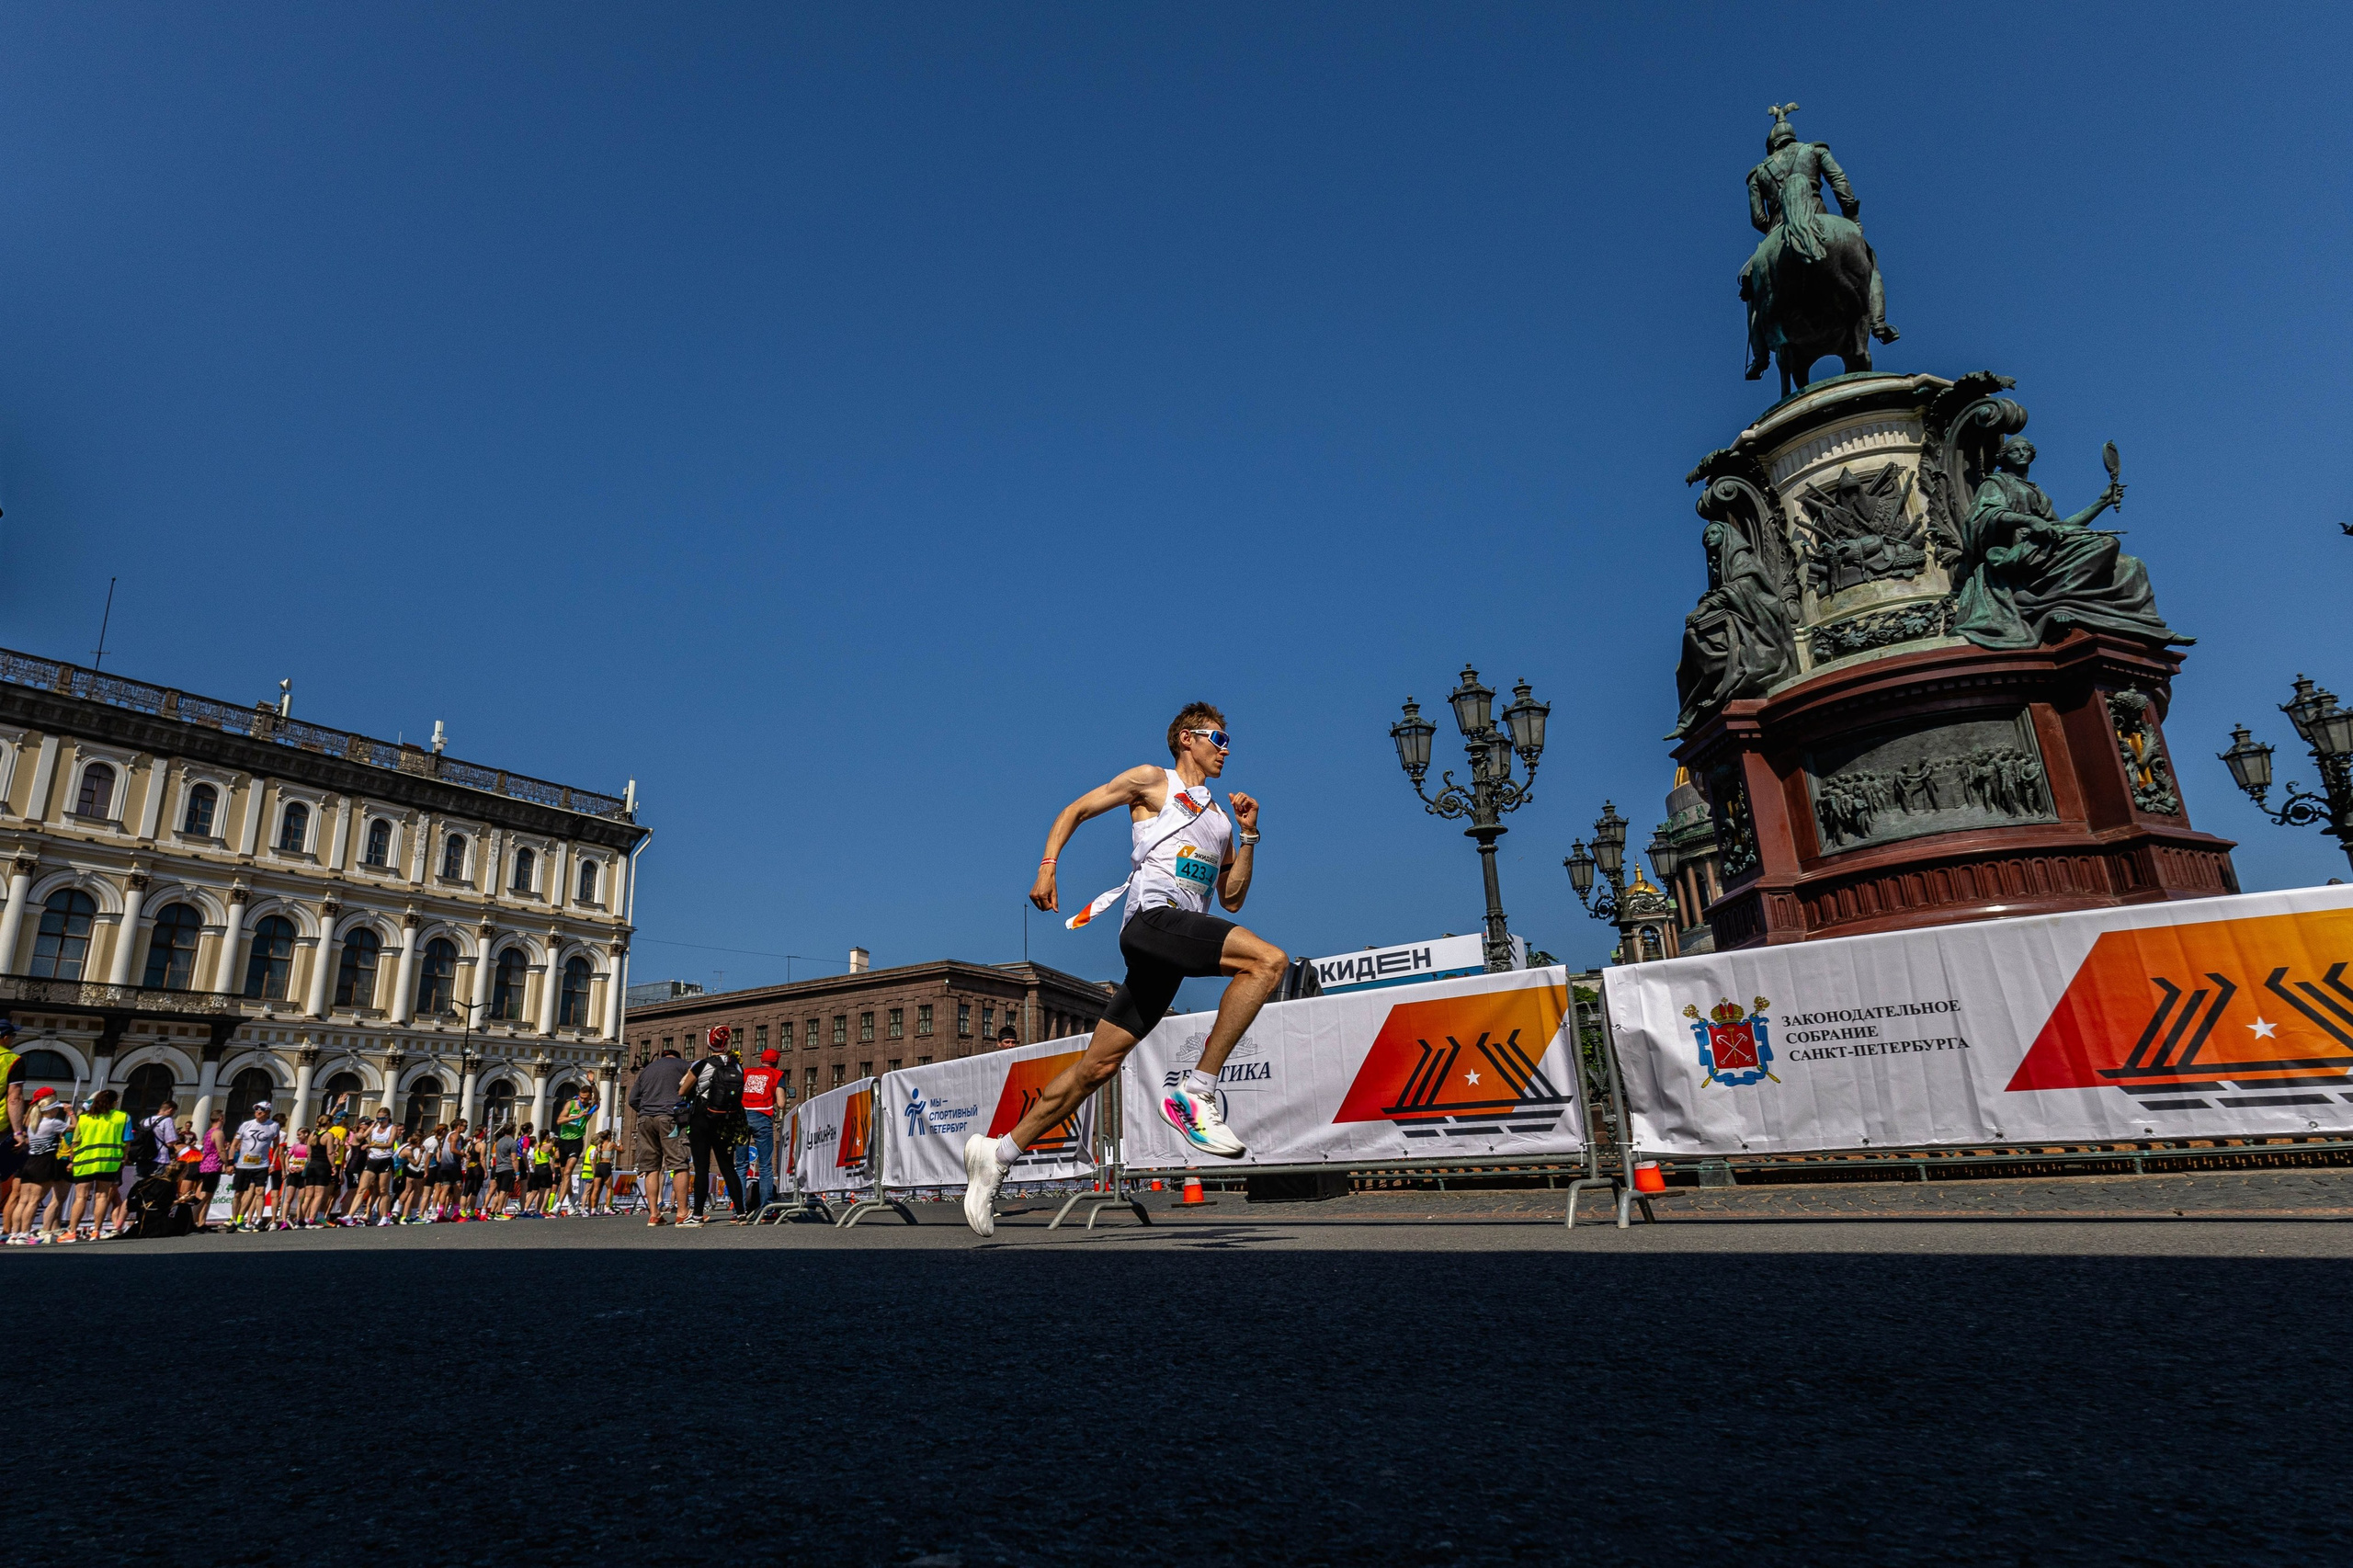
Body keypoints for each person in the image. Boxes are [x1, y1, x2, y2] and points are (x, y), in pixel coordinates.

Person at [962, 704, 1282, 1236]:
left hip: (1171, 948)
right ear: (1187, 738)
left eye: (1229, 742)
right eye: (1219, 738)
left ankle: (996, 1155)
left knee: (1097, 1066)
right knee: (1268, 961)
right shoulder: (1153, 781)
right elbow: (1076, 810)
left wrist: (1248, 838)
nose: (1227, 750)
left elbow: (1231, 898)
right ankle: (1198, 1091)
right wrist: (1048, 868)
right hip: (1152, 922)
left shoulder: (1221, 821)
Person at [681, 1027, 746, 1227]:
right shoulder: (736, 1066)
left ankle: (697, 1215)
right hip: (726, 1119)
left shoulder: (702, 1064)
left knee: (702, 1167)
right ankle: (741, 1213)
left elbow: (682, 1090)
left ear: (709, 1044)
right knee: (728, 1166)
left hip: (702, 1118)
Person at [627, 1044, 695, 1228]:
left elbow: (632, 1099)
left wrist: (646, 1109)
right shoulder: (684, 1066)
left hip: (645, 1120)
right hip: (670, 1117)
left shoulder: (647, 1070)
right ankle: (682, 1213)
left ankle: (654, 1214)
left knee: (651, 1167)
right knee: (679, 1163)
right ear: (677, 1057)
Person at [63, 1089, 131, 1241]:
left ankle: (72, 1232)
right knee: (102, 1196)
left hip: (84, 1162)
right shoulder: (123, 1117)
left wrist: (72, 1160)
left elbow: (75, 1142)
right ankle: (96, 1231)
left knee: (80, 1197)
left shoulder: (84, 1118)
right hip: (109, 1162)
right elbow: (127, 1141)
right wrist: (123, 1157)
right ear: (114, 1102)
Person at [5, 1088, 70, 1243]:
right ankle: (24, 1234)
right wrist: (71, 1113)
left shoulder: (31, 1116)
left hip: (28, 1160)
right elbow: (74, 1128)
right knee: (32, 1200)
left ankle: (14, 1233)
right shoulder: (49, 1121)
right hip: (43, 1161)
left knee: (21, 1199)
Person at [736, 1046, 786, 1217]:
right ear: (776, 1062)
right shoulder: (777, 1074)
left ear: (761, 1060)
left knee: (741, 1165)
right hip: (762, 1116)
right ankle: (767, 1210)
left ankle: (739, 1210)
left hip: (741, 1117)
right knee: (765, 1165)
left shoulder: (747, 1072)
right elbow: (781, 1103)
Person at [227, 1102, 283, 1233]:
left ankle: (258, 1220)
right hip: (243, 1164)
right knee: (238, 1193)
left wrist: (272, 1163)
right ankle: (234, 1220)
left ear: (268, 1112)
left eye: (261, 1110)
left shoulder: (274, 1126)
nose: (258, 1112)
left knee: (260, 1192)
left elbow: (276, 1146)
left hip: (261, 1164)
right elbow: (234, 1144)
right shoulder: (246, 1125)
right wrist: (230, 1163)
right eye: (256, 1109)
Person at [344, 1108, 397, 1226]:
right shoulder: (374, 1128)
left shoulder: (392, 1128)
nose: (381, 1121)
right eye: (378, 1118)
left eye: (383, 1118)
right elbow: (363, 1136)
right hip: (373, 1160)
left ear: (388, 1118)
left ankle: (384, 1217)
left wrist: (372, 1145)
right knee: (361, 1189)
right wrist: (372, 1125)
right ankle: (350, 1216)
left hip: (385, 1160)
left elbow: (389, 1144)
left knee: (383, 1190)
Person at [551, 1090, 592, 1215]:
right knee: (565, 1175)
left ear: (589, 1097)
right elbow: (559, 1121)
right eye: (581, 1097)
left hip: (577, 1141)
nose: (583, 1100)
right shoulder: (570, 1104)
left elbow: (597, 1099)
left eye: (586, 1098)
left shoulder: (590, 1108)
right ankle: (572, 1196)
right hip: (564, 1141)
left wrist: (593, 1084)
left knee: (568, 1172)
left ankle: (558, 1205)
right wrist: (576, 1117)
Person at [584, 1131, 616, 1215]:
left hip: (598, 1167)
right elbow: (621, 1150)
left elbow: (594, 1159)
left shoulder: (597, 1146)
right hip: (605, 1166)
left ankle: (593, 1209)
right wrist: (620, 1143)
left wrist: (595, 1169)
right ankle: (607, 1208)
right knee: (609, 1188)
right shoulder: (609, 1144)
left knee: (596, 1189)